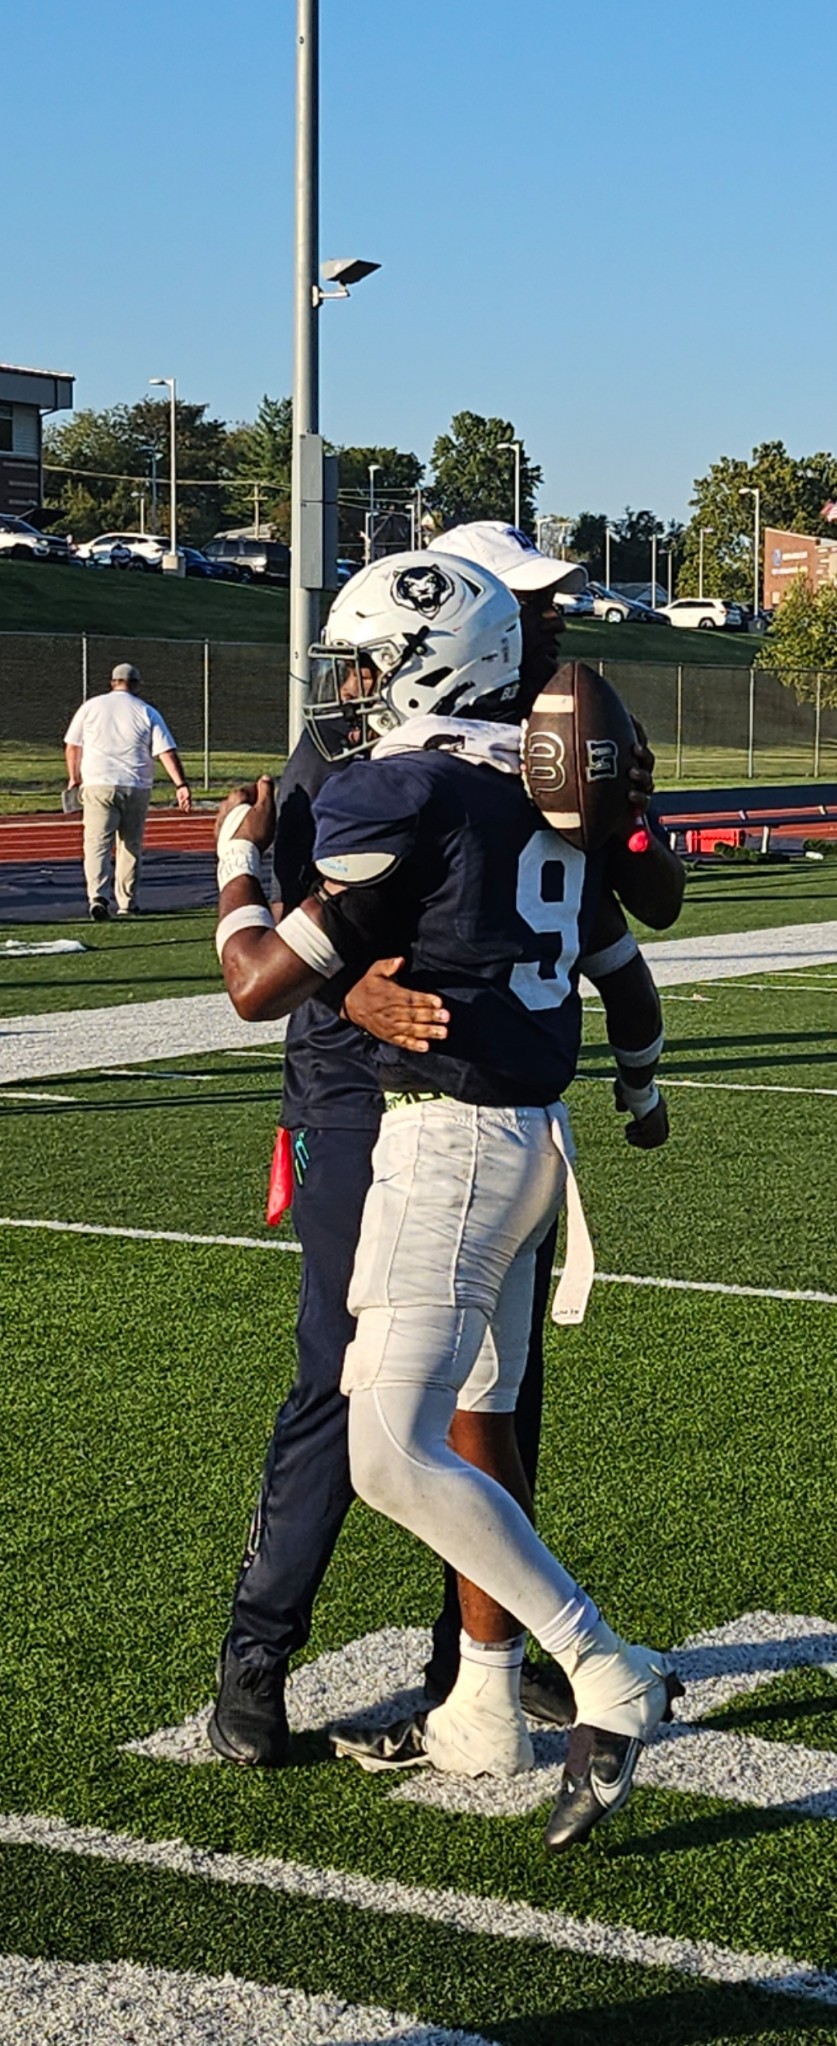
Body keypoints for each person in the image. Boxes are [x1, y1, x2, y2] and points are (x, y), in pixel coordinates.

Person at [213, 551, 684, 1849]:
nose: (349, 688)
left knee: (382, 1447)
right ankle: (480, 1705)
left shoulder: (400, 786)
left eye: (364, 663)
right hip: (541, 1140)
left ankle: (602, 1666)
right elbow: (625, 963)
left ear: (425, 663)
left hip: (449, 1142)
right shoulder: (537, 787)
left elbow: (254, 982)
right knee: (481, 1409)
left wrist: (234, 863)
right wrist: (641, 1093)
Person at [63, 661, 191, 919]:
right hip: (135, 785)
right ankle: (127, 901)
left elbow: (73, 745)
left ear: (112, 682)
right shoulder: (147, 711)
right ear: (136, 685)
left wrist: (74, 778)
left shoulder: (90, 707)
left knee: (97, 843)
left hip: (98, 783)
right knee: (130, 845)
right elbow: (165, 751)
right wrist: (181, 784)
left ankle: (98, 896)